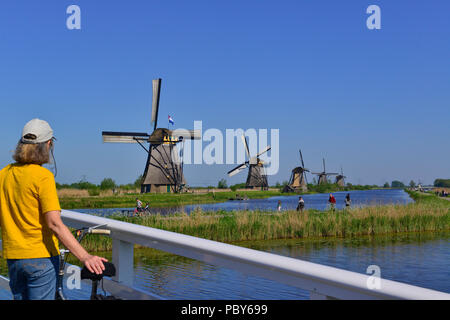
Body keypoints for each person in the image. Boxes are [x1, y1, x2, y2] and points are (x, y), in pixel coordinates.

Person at [0, 119, 107, 300]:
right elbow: (54, 224)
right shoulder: (43, 177)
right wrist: (85, 257)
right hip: (40, 258)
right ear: (48, 144)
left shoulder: (4, 174)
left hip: (14, 257)